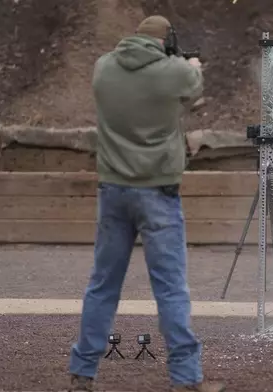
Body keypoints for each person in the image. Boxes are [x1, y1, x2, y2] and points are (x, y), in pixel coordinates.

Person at [66, 15, 226, 392]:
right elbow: (193, 86)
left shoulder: (103, 67)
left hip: (113, 191)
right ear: (165, 42)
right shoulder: (174, 72)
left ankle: (82, 373)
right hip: (158, 193)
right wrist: (192, 65)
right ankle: (186, 379)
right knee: (170, 288)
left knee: (102, 286)